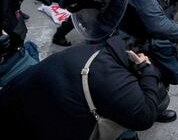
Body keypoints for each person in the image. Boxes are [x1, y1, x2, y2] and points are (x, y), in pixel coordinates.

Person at [0, 35, 165, 140]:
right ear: (135, 58)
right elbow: (145, 116)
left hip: (16, 105)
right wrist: (148, 71)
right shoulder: (113, 77)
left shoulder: (95, 51)